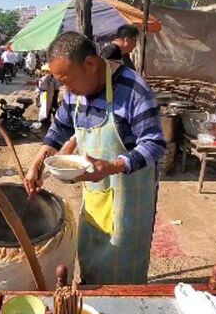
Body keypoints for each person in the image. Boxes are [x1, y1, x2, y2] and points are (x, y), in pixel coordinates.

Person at [25, 32, 166, 284]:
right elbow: (59, 131)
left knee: (122, 274)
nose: (66, 89)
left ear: (91, 64)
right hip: (96, 195)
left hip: (129, 201)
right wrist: (37, 163)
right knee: (91, 263)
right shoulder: (74, 93)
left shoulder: (133, 89)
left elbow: (154, 145)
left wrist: (111, 166)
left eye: (67, 80)